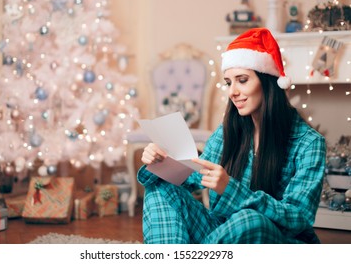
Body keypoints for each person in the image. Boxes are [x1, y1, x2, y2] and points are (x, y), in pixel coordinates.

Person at [137, 28, 326, 244]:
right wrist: (162, 160)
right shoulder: (228, 131)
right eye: (229, 82)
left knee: (249, 220)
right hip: (223, 233)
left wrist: (231, 189)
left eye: (242, 80)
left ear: (267, 82)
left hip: (278, 239)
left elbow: (298, 218)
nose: (232, 92)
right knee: (159, 188)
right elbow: (194, 177)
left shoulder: (309, 143)